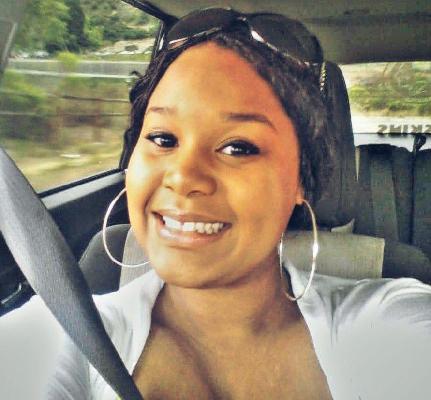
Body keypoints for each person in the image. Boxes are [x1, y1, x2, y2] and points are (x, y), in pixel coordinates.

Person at [43, 8, 431, 400]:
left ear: (302, 178)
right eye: (163, 139)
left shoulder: (388, 326)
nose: (183, 177)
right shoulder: (61, 335)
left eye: (238, 147)